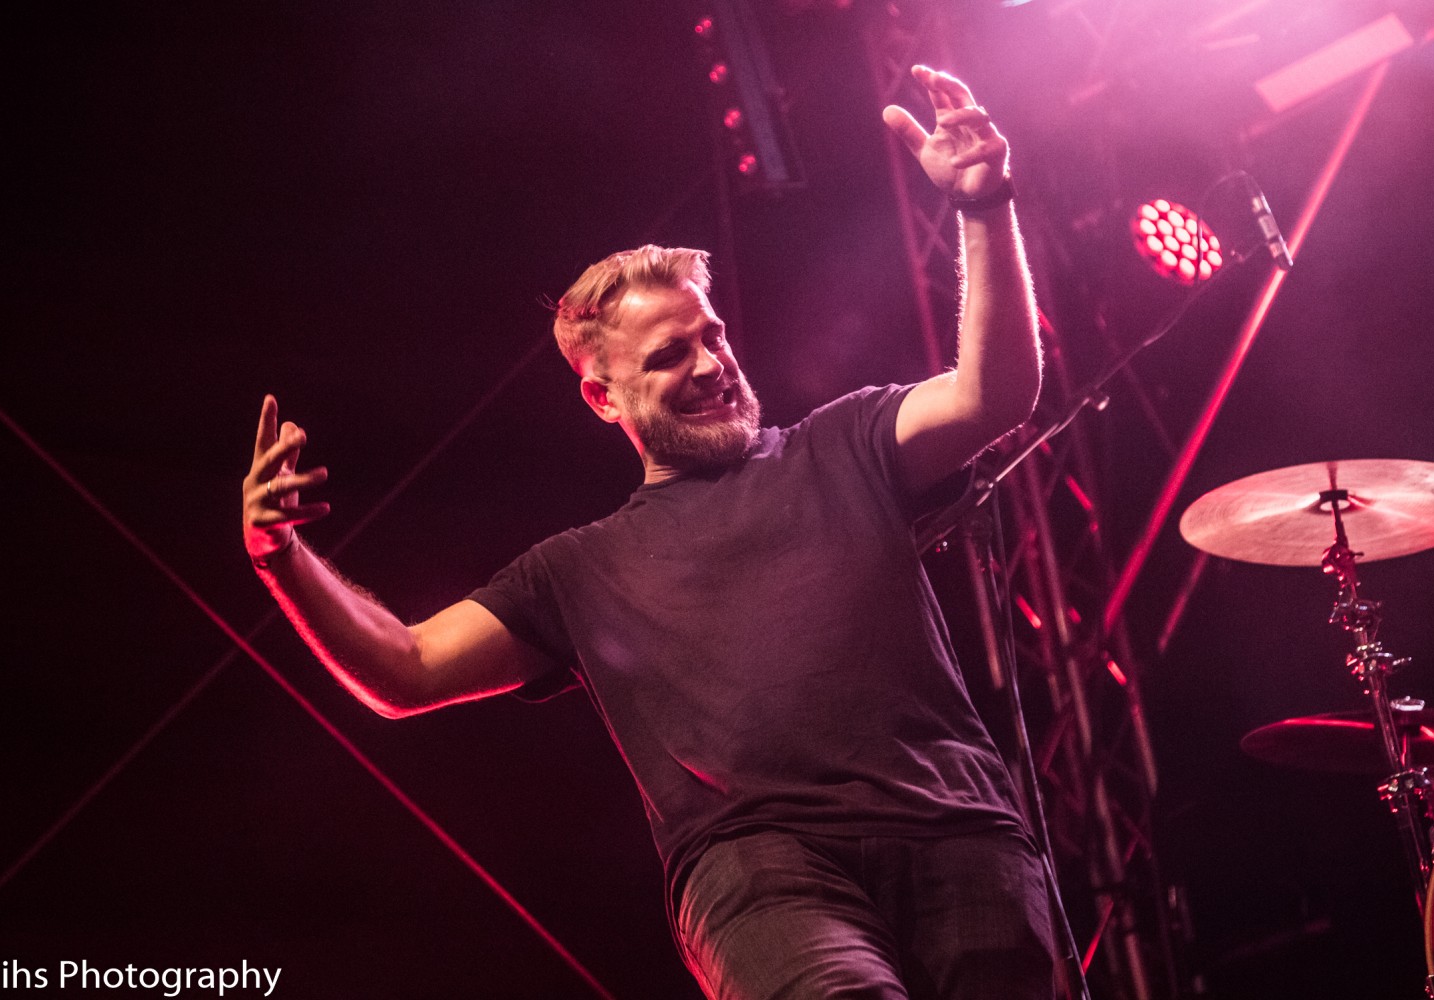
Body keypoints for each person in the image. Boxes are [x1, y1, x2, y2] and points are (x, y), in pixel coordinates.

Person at [243, 67, 1052, 1000]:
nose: (711, 363)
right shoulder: (577, 570)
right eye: (670, 354)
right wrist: (282, 558)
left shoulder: (846, 441)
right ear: (602, 398)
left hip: (964, 835)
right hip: (762, 871)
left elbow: (994, 394)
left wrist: (985, 209)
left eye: (712, 335)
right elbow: (407, 669)